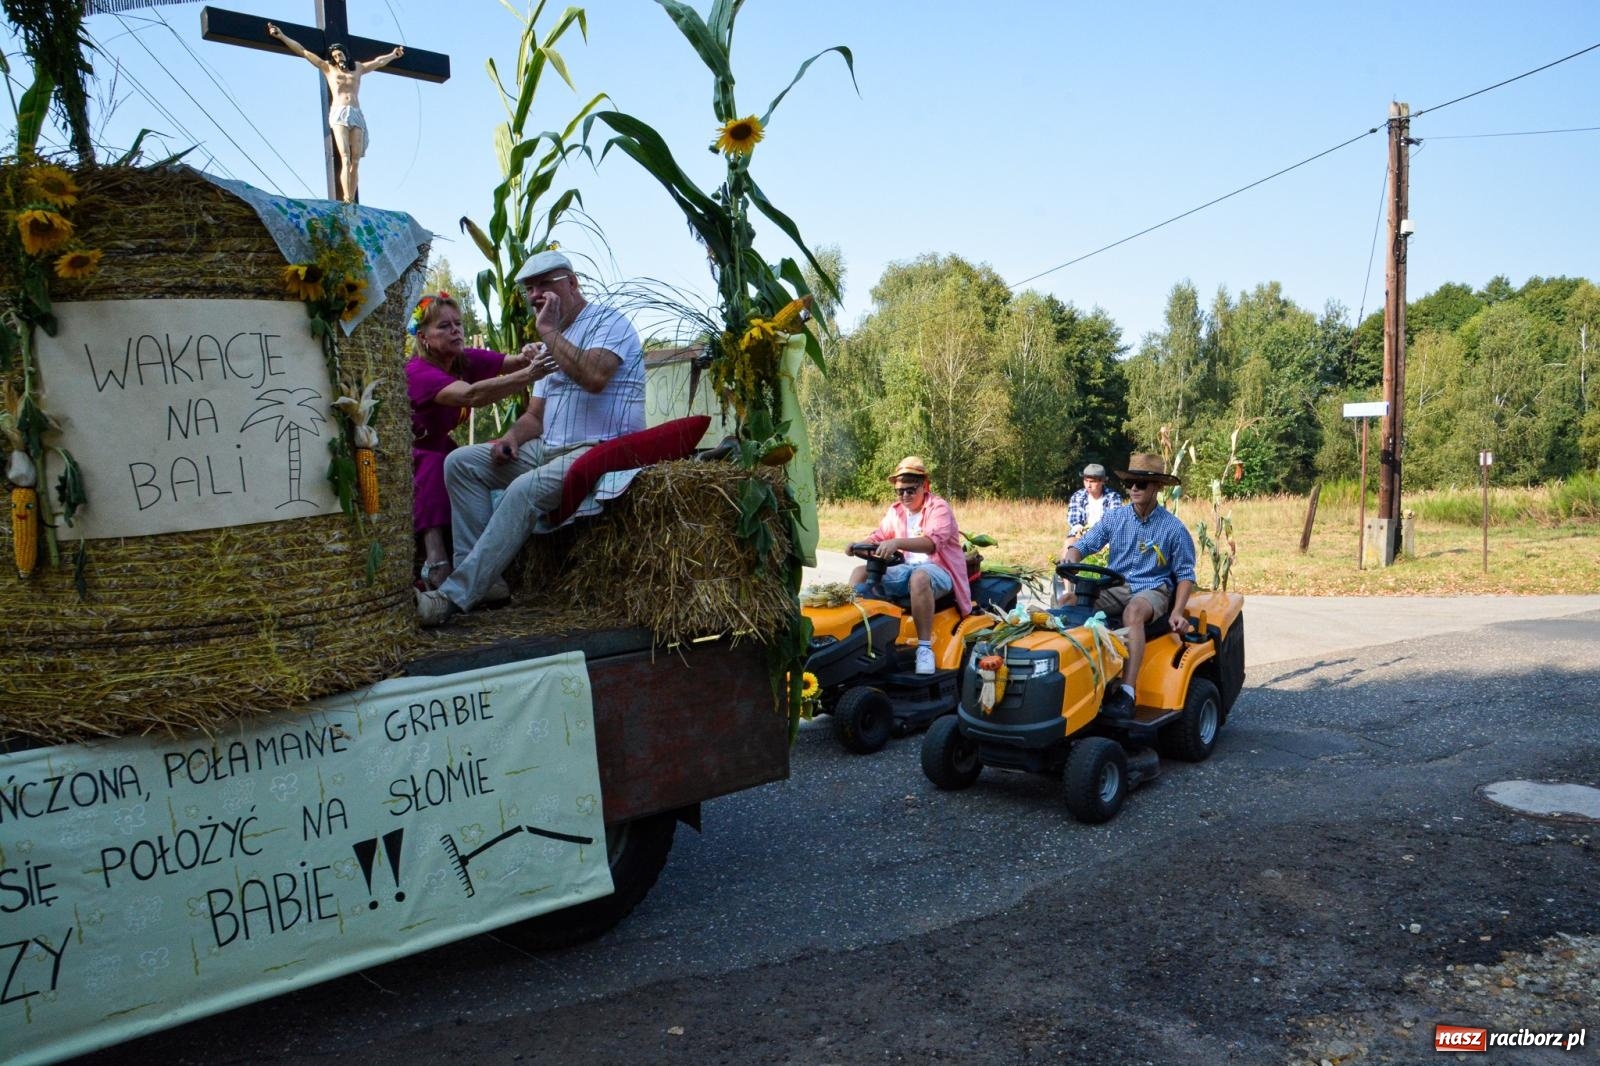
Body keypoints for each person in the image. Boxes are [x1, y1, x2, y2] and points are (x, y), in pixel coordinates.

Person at [416, 250, 644, 625]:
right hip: (550, 448)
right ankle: (486, 583)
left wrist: (549, 332)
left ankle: (451, 597)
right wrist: (511, 437)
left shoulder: (608, 322)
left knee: (524, 489)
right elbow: (535, 416)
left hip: (602, 446)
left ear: (572, 283)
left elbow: (594, 377)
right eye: (529, 289)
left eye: (544, 285)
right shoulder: (552, 340)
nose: (535, 295)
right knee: (461, 462)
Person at [406, 291, 554, 590]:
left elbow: (512, 362)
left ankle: (476, 564)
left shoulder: (462, 360)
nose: (455, 330)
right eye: (444, 326)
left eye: (457, 324)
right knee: (436, 464)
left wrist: (531, 352)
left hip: (440, 445)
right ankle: (435, 558)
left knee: (461, 461)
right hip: (415, 452)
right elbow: (471, 395)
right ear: (423, 337)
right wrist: (531, 374)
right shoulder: (418, 372)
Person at [1060, 452, 1196, 717]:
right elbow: (1083, 545)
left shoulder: (1173, 528)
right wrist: (1071, 557)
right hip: (1117, 586)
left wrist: (1178, 612)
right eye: (1130, 483)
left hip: (1153, 588)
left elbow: (1185, 575)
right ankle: (1072, 679)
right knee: (1069, 602)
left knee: (1132, 613)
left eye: (1141, 483)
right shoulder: (1115, 518)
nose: (1134, 488)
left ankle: (1127, 692)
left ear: (1157, 487)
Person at [849, 456, 972, 675]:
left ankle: (924, 649)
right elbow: (878, 537)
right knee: (860, 573)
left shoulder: (939, 508)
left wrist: (897, 542)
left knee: (920, 577)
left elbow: (932, 544)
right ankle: (857, 641)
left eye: (910, 490)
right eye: (900, 491)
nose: (904, 495)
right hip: (906, 569)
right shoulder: (895, 511)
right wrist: (857, 546)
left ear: (924, 486)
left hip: (940, 571)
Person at [266, 23, 404, 202]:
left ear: (346, 54)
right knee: (345, 156)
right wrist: (281, 36)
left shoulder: (358, 68)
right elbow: (304, 52)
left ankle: (351, 199)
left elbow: (378, 62)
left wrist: (393, 55)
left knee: (355, 160)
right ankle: (346, 198)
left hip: (356, 113)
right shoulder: (328, 69)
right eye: (335, 56)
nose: (338, 57)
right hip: (339, 112)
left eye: (340, 54)